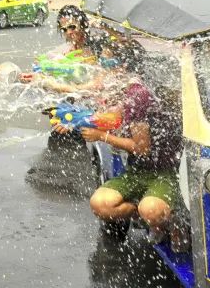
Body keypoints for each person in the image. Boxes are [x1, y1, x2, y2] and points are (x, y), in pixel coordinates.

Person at [56, 40, 184, 250]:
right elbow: (108, 116)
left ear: (122, 65)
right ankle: (140, 212)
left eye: (106, 62)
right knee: (100, 204)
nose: (102, 66)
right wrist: (74, 123)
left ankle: (170, 218)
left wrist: (100, 136)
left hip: (165, 172)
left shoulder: (138, 95)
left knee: (152, 210)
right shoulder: (122, 89)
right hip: (136, 171)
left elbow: (141, 148)